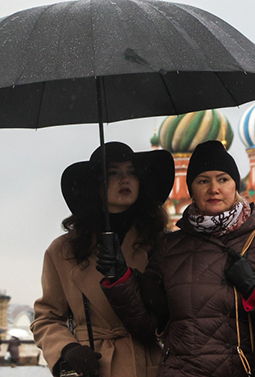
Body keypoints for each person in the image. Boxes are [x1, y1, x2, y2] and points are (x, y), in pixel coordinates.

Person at [99, 140, 255, 377]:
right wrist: (120, 278)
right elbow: (147, 324)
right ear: (191, 190)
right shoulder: (169, 247)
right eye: (202, 181)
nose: (213, 189)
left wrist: (254, 287)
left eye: (223, 179)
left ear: (235, 186)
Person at [32, 142, 174, 377]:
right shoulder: (63, 251)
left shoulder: (161, 244)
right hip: (95, 366)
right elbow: (47, 317)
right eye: (113, 174)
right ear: (96, 186)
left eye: (131, 173)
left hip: (150, 364)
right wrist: (67, 349)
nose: (124, 180)